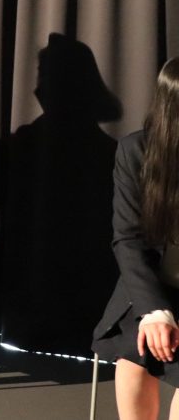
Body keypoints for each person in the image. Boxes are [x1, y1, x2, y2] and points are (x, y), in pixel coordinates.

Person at [93, 57, 179, 419]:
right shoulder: (137, 151)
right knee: (134, 353)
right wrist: (154, 310)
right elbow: (127, 239)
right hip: (152, 286)